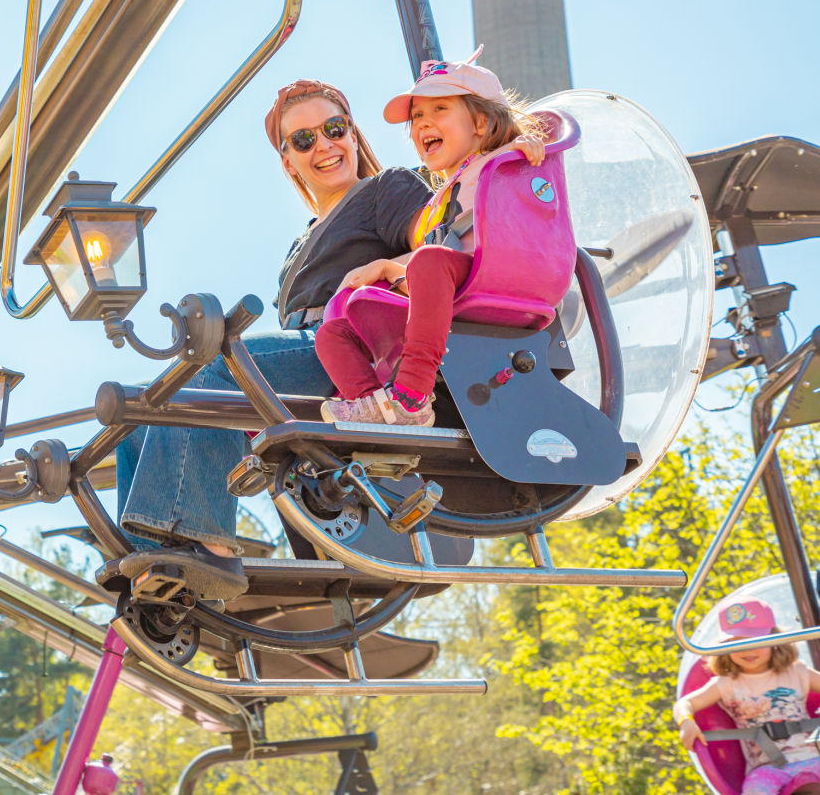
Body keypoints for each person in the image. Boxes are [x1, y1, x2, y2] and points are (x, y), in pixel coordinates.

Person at [113, 79, 433, 601]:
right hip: (306, 342)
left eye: (334, 129)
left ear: (353, 133)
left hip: (351, 343)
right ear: (288, 161)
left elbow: (445, 250)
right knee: (148, 401)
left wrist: (389, 266)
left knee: (215, 372)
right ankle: (149, 552)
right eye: (304, 140)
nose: (325, 146)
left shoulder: (387, 190)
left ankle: (208, 548)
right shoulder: (303, 240)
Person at [315, 47, 547, 428]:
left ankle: (411, 396)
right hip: (452, 282)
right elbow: (440, 245)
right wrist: (385, 266)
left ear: (483, 122)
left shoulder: (498, 163)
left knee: (427, 261)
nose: (423, 123)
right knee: (332, 334)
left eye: (440, 110)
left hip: (498, 278)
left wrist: (520, 150)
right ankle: (374, 411)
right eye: (418, 115)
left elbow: (527, 180)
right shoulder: (442, 197)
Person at [674, 598, 820, 794]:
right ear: (723, 647)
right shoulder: (725, 684)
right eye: (736, 642)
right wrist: (686, 721)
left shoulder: (796, 672)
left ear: (774, 639)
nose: (747, 650)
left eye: (756, 641)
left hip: (812, 759)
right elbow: (685, 703)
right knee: (754, 790)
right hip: (768, 769)